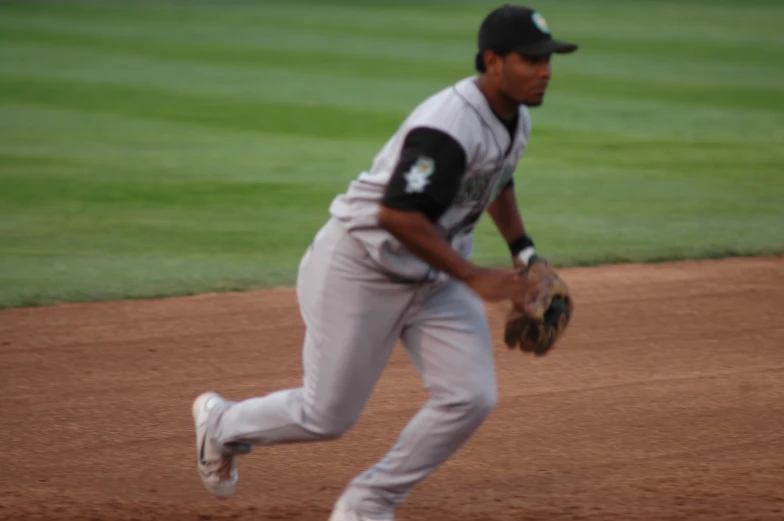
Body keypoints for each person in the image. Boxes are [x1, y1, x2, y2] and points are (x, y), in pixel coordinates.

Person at [191, 5, 578, 520]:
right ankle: (221, 424)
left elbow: (496, 179)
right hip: (359, 269)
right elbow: (397, 215)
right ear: (492, 61)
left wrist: (524, 251)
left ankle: (367, 503)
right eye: (531, 60)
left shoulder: (516, 118)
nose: (545, 70)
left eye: (548, 59)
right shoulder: (447, 128)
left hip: (434, 276)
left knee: (471, 396)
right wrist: (476, 277)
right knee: (326, 415)